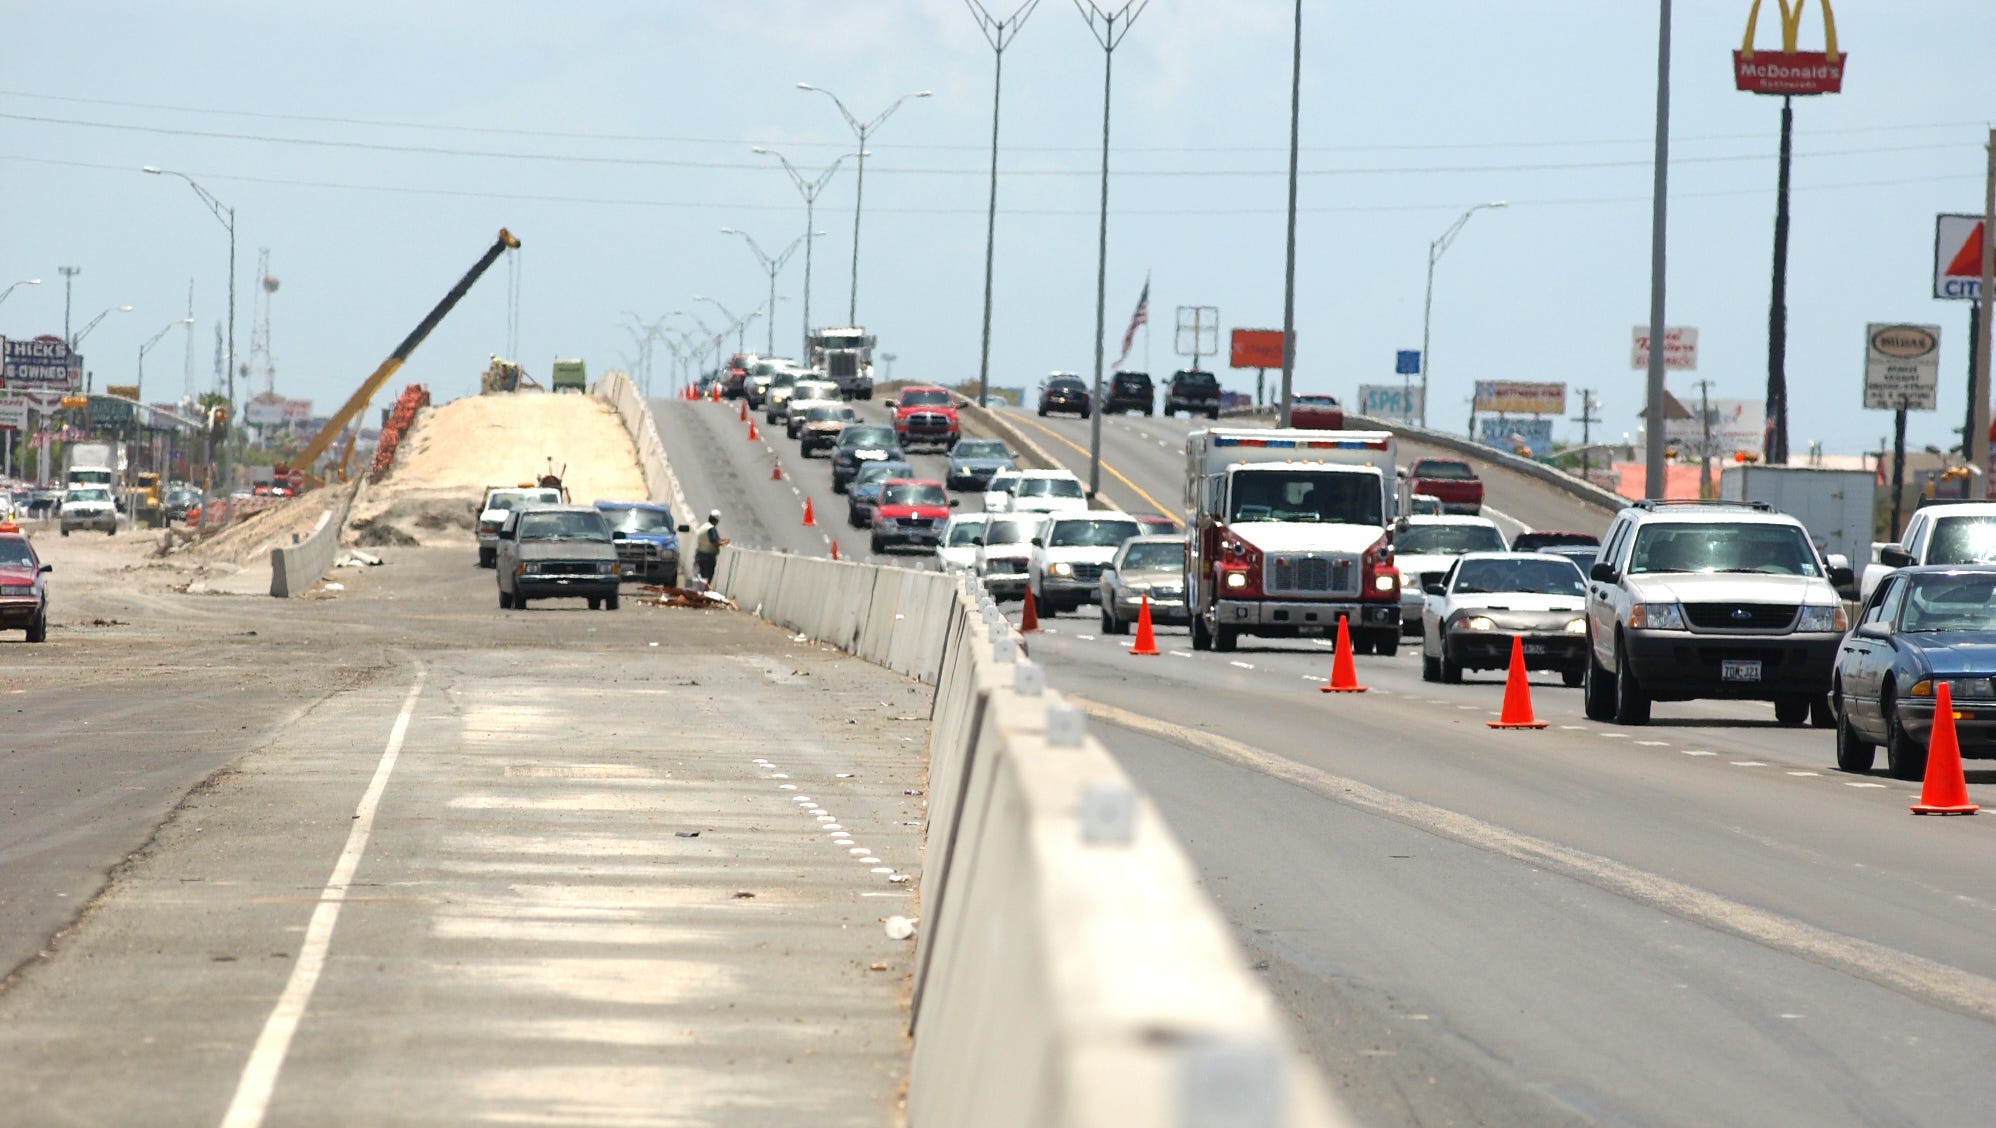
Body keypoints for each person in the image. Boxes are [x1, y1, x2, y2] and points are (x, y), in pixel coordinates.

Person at [693, 509, 727, 582]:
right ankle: (702, 592)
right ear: (716, 520)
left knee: (697, 578)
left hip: (699, 555)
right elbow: (714, 542)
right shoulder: (711, 528)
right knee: (706, 580)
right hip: (708, 557)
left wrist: (721, 540)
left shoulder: (704, 526)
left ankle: (696, 591)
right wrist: (723, 543)